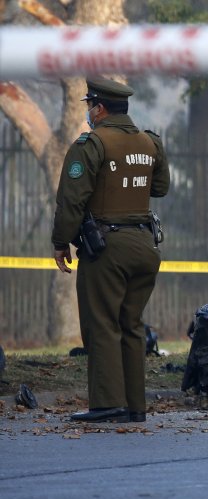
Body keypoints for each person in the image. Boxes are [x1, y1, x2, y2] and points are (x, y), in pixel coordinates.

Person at [51, 77, 170, 423]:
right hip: (145, 245)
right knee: (131, 325)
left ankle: (106, 404)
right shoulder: (151, 142)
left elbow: (71, 201)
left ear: (99, 108)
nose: (88, 112)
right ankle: (135, 407)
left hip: (107, 248)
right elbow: (159, 187)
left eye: (90, 106)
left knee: (102, 323)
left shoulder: (91, 144)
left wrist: (61, 241)